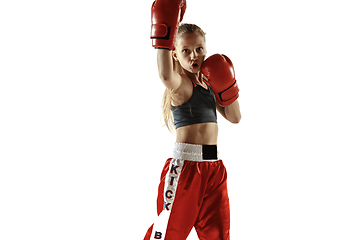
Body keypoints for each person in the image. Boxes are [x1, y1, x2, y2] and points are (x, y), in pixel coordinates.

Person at [144, 0, 241, 239]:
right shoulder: (181, 85)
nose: (193, 55)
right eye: (185, 51)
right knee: (168, 234)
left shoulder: (209, 83)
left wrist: (227, 85)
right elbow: (165, 75)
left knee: (218, 235)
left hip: (214, 169)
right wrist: (164, 33)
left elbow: (235, 117)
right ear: (175, 55)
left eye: (199, 49)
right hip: (186, 168)